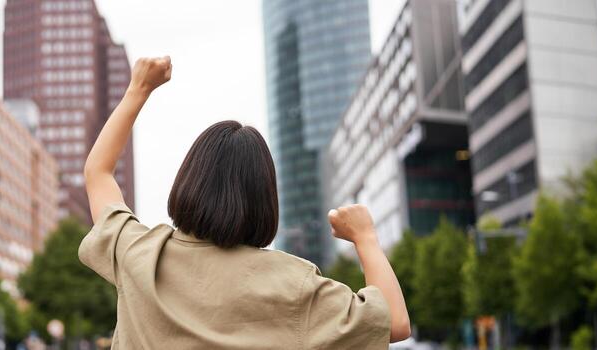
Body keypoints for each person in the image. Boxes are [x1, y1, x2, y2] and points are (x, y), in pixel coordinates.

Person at [80, 56, 411, 349]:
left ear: (189, 181)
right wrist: (365, 238)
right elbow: (394, 324)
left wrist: (139, 89)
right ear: (264, 199)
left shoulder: (140, 254)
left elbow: (98, 173)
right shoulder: (295, 284)